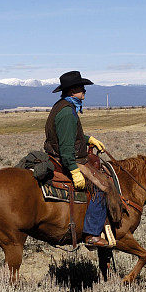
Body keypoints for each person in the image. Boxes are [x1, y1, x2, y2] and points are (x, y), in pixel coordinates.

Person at [43, 71, 120, 247]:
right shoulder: (67, 113)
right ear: (71, 91)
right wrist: (74, 170)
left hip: (61, 154)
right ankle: (92, 234)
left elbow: (69, 135)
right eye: (80, 88)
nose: (84, 91)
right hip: (68, 158)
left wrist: (88, 139)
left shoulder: (63, 106)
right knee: (102, 186)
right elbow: (66, 146)